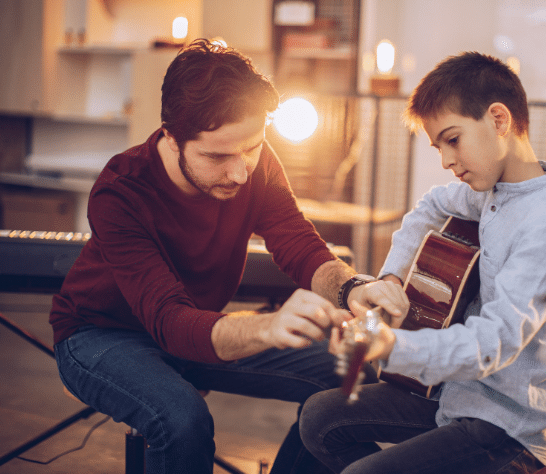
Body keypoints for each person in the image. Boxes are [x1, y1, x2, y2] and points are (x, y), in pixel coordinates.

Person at [49, 38, 408, 474]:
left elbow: (296, 240)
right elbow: (169, 321)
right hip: (99, 335)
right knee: (180, 420)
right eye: (217, 156)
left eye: (252, 148)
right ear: (170, 136)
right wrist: (269, 327)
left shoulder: (254, 160)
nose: (240, 172)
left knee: (344, 374)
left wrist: (352, 287)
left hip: (194, 327)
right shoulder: (121, 191)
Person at [299, 52, 546, 474]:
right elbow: (429, 207)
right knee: (319, 418)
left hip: (508, 427)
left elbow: (494, 343)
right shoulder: (495, 191)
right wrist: (392, 280)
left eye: (452, 140)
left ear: (499, 119)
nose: (445, 161)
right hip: (455, 395)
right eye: (438, 147)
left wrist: (389, 345)